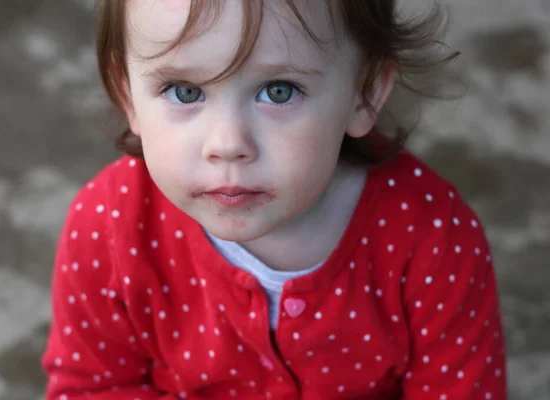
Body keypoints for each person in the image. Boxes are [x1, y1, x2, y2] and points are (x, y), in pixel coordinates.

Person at [41, 0, 508, 399]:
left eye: (278, 91)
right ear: (127, 95)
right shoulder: (108, 224)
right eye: (185, 91)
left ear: (363, 94)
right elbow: (93, 387)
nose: (227, 143)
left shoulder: (432, 236)